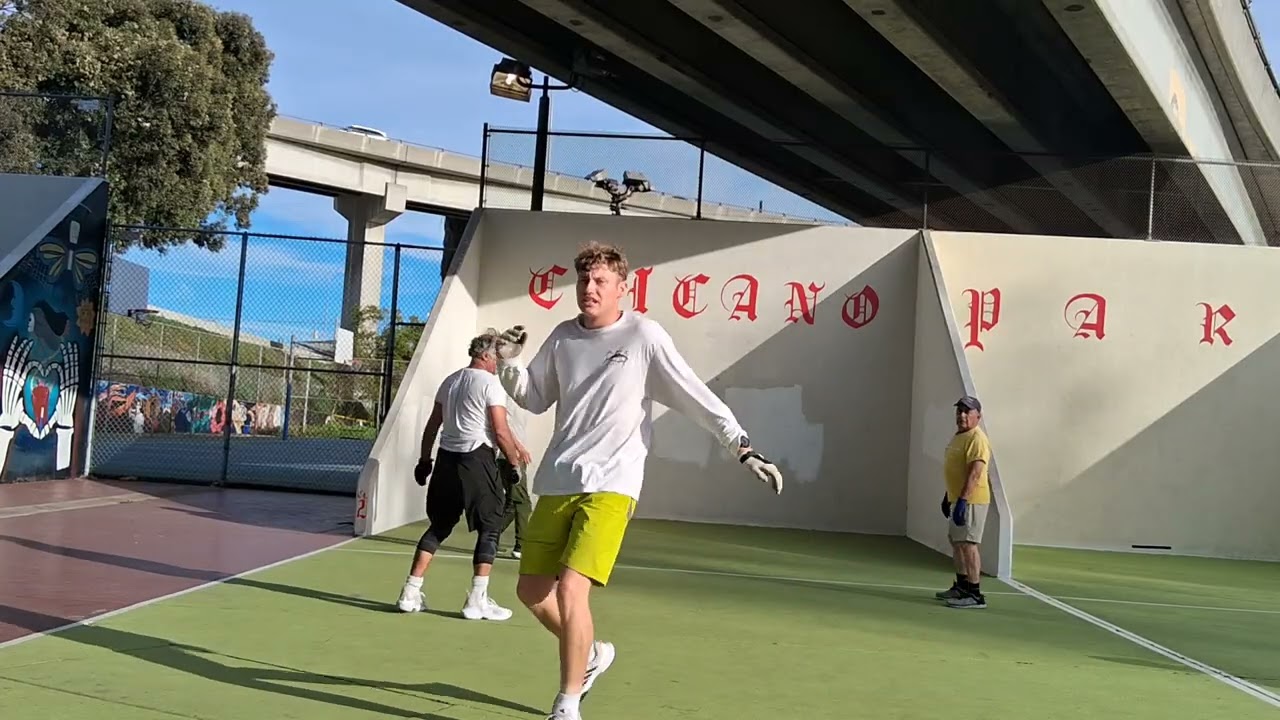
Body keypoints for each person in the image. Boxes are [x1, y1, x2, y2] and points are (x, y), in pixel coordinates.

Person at [493, 241, 785, 720]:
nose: (590, 288)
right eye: (584, 280)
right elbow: (535, 396)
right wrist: (508, 363)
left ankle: (567, 704)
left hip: (614, 482)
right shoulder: (564, 338)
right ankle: (590, 656)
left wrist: (742, 447)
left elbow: (694, 394)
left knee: (571, 590)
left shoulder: (644, 336)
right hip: (561, 477)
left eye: (601, 281)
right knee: (531, 591)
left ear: (621, 288)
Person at [395, 330, 532, 620]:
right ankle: (476, 600)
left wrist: (424, 460)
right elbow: (500, 430)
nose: (499, 363)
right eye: (497, 356)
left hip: (445, 461)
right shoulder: (490, 384)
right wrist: (514, 464)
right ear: (484, 355)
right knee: (491, 528)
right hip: (477, 461)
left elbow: (432, 426)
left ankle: (409, 592)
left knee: (439, 526)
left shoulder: (450, 381)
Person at [936, 395, 992, 610]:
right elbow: (956, 471)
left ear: (978, 415)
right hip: (957, 498)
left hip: (972, 500)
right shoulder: (959, 436)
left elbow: (975, 474)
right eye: (959, 411)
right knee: (957, 542)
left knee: (969, 545)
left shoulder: (977, 439)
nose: (961, 415)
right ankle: (961, 586)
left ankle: (975, 594)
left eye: (967, 411)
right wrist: (948, 496)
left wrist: (962, 500)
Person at [498, 394, 532, 559]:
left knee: (512, 502)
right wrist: (520, 449)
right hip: (510, 456)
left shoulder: (522, 399)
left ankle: (490, 538)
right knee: (522, 502)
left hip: (510, 456)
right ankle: (521, 546)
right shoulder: (505, 398)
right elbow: (503, 426)